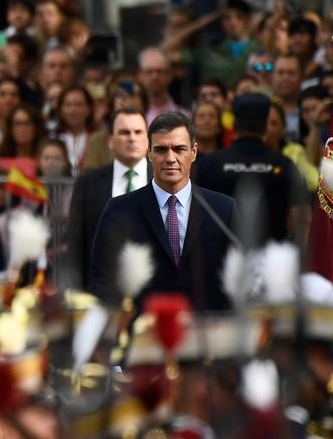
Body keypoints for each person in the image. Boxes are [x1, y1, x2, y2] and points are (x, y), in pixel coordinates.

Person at [89, 111, 237, 311]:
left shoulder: (222, 209)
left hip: (207, 333)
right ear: (149, 152)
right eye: (160, 149)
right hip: (142, 333)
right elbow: (103, 280)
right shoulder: (118, 210)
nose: (170, 158)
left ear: (194, 152)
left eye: (179, 149)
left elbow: (239, 278)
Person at [194, 93, 308, 247]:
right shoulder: (283, 164)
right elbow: (302, 221)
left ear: (234, 123)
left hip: (220, 261)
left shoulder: (208, 164)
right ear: (265, 125)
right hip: (271, 260)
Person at [67, 108, 150, 290]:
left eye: (138, 132)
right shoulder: (87, 183)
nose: (132, 138)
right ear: (110, 141)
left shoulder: (164, 179)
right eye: (124, 132)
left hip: (154, 288)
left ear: (147, 140)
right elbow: (76, 241)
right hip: (102, 288)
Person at [138, 47, 189, 124]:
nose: (154, 76)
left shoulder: (184, 116)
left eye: (160, 71)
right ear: (140, 76)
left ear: (169, 75)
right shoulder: (132, 117)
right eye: (149, 71)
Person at [55, 85, 97, 174]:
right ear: (61, 109)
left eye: (78, 105)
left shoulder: (97, 139)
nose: (73, 110)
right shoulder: (53, 138)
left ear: (89, 109)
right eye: (68, 105)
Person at [0, 103, 45, 176]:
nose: (22, 129)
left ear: (36, 128)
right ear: (10, 129)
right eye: (17, 124)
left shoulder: (45, 161)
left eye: (27, 123)